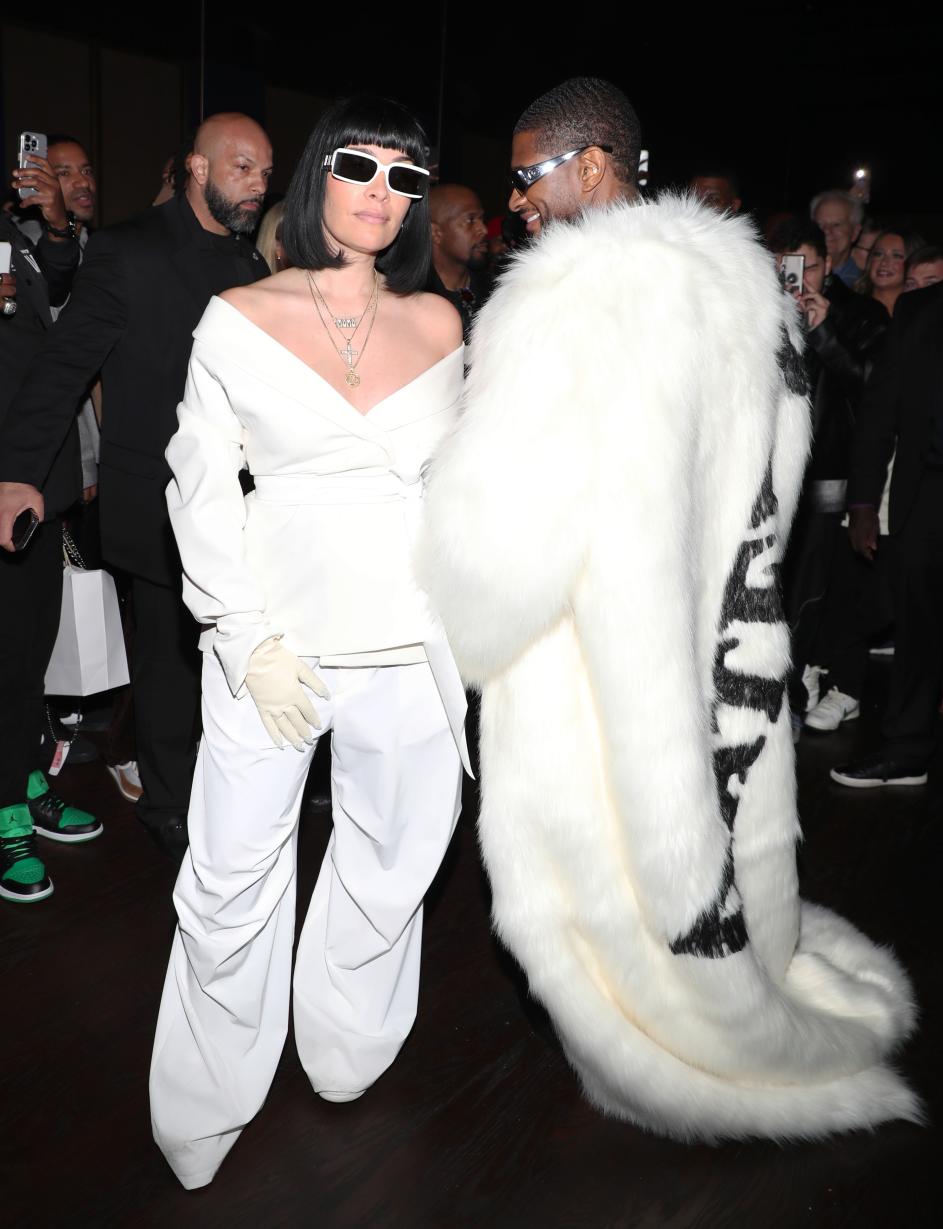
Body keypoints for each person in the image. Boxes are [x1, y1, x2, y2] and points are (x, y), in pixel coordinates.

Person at [419, 76, 918, 1142]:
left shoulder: (554, 301)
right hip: (712, 637)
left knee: (613, 881)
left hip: (594, 666)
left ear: (593, 164)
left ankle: (649, 1039)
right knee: (712, 829)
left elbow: (501, 561)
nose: (521, 206)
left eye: (527, 176)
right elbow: (781, 473)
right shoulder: (734, 279)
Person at [149, 94, 469, 1191]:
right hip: (274, 642)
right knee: (233, 870)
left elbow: (465, 491)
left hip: (411, 644)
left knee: (391, 860)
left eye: (405, 177)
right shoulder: (239, 314)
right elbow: (199, 485)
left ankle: (346, 1044)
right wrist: (241, 634)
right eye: (359, 166)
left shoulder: (442, 325)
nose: (383, 192)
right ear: (315, 178)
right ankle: (204, 1095)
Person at [0, 113, 273, 860]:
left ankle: (224, 797)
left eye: (264, 171)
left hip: (238, 505)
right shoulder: (125, 249)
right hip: (154, 503)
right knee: (166, 662)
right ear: (196, 167)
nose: (257, 182)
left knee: (228, 662)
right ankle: (167, 803)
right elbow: (65, 366)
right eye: (242, 167)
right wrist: (19, 472)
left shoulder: (253, 271)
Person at [0, 170, 101, 905]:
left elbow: (57, 286)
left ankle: (28, 777)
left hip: (37, 476)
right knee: (7, 660)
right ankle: (8, 816)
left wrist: (55, 225)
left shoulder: (11, 232)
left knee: (31, 654)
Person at [831, 272, 943, 787]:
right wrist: (862, 503)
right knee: (917, 631)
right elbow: (880, 409)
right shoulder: (920, 310)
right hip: (930, 490)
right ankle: (907, 751)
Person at [768, 217, 888, 728]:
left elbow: (875, 390)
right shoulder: (764, 310)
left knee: (814, 585)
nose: (798, 278)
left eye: (807, 266)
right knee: (775, 581)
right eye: (786, 267)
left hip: (831, 472)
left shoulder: (859, 313)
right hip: (771, 469)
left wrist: (825, 333)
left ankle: (798, 682)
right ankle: (786, 678)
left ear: (825, 263)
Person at [427, 183, 490, 338]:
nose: (484, 229)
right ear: (436, 233)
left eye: (482, 219)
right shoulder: (414, 297)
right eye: (470, 220)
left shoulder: (495, 291)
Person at [854, 228, 922, 316]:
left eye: (897, 256)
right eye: (878, 254)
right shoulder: (848, 308)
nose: (884, 262)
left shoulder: (921, 314)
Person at [810, 189, 864, 287]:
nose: (826, 231)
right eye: (820, 225)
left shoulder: (863, 285)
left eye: (836, 225)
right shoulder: (796, 277)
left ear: (855, 232)